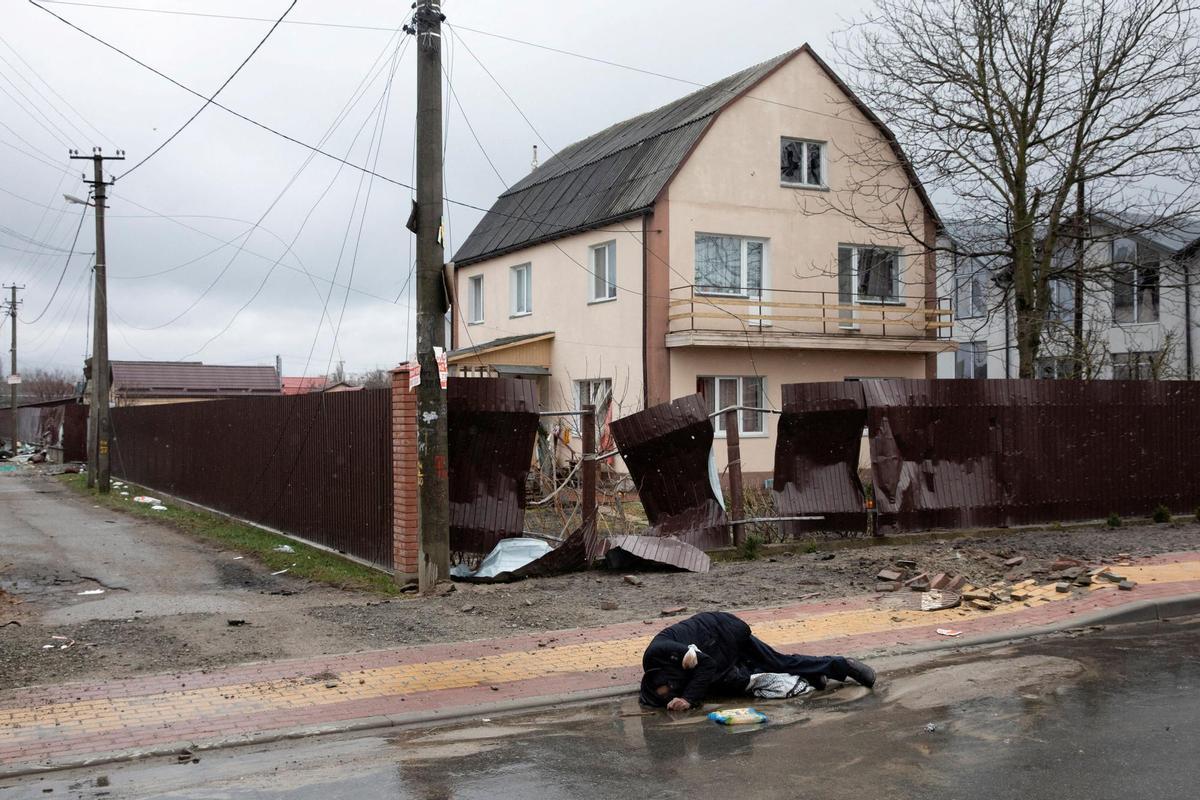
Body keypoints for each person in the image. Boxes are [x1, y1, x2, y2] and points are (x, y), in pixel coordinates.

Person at [639, 611, 876, 710]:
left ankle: (844, 665)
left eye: (669, 689)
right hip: (715, 641)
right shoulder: (660, 671)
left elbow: (707, 664)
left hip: (723, 631)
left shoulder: (661, 651)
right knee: (772, 663)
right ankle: (814, 674)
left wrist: (688, 699)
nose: (671, 691)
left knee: (766, 667)